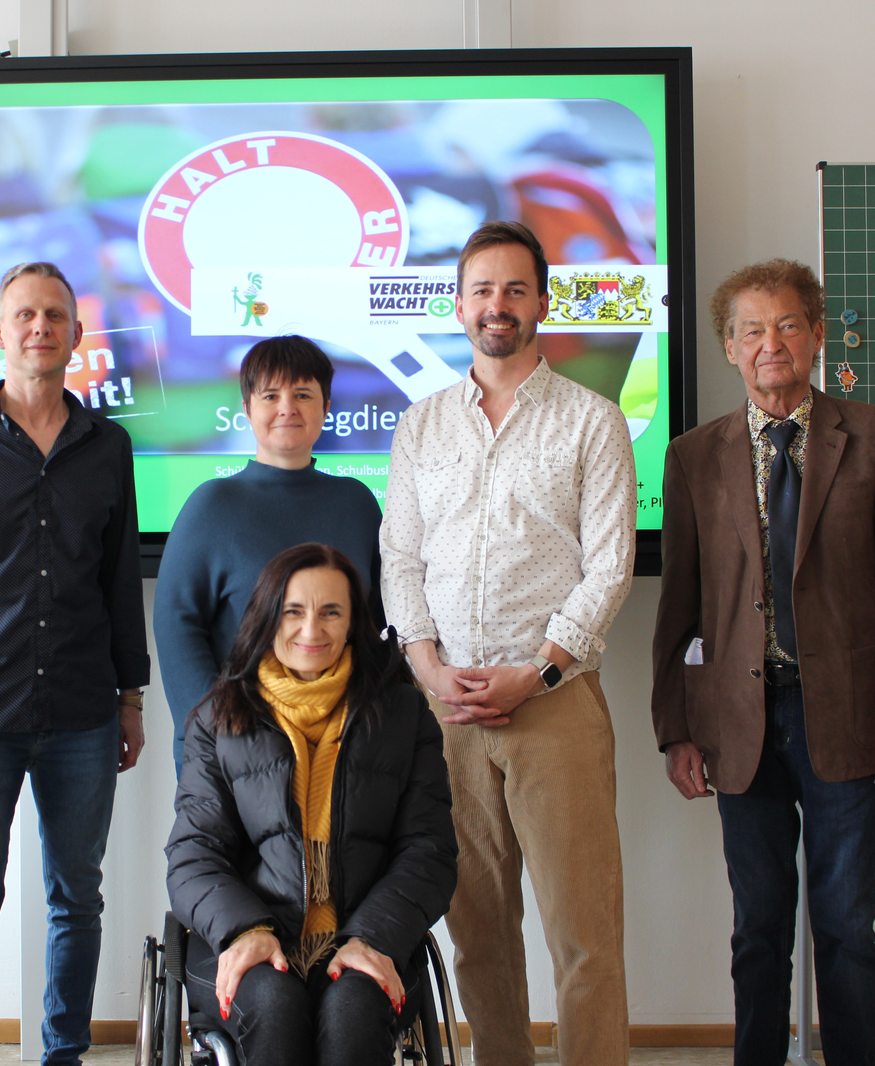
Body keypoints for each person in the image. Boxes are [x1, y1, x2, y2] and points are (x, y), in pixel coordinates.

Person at [652, 259, 875, 1066]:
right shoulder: (693, 457)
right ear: (729, 347)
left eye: (785, 325)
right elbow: (680, 606)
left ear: (815, 335)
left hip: (846, 719)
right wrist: (677, 729)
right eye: (751, 330)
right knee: (758, 926)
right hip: (738, 724)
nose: (769, 343)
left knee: (847, 924)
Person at [381, 221, 636, 1065]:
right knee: (479, 936)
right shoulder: (421, 427)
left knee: (584, 937)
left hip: (554, 708)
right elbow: (399, 560)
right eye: (483, 290)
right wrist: (427, 666)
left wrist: (538, 671)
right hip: (447, 715)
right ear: (459, 306)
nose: (499, 305)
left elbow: (610, 568)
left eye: (516, 289)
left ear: (542, 303)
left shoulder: (594, 422)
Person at [0, 261, 150, 1066]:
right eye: (25, 314)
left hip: (83, 711)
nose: (40, 326)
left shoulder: (108, 446)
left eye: (55, 315)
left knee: (77, 896)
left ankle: (63, 1052)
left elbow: (119, 578)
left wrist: (130, 698)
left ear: (77, 335)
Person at [167, 543, 456, 1066]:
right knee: (274, 1008)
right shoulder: (218, 717)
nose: (310, 629)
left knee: (352, 1013)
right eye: (293, 611)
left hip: (369, 934)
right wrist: (245, 931)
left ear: (353, 624)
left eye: (331, 612)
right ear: (267, 617)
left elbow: (428, 852)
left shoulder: (404, 714)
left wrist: (372, 937)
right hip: (245, 935)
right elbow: (194, 854)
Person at [155, 335, 384, 773]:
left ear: (326, 407)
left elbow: (373, 623)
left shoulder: (357, 503)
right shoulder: (212, 504)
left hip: (339, 747)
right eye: (270, 395)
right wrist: (217, 726)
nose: (287, 408)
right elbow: (176, 623)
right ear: (247, 408)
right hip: (232, 748)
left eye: (303, 395)